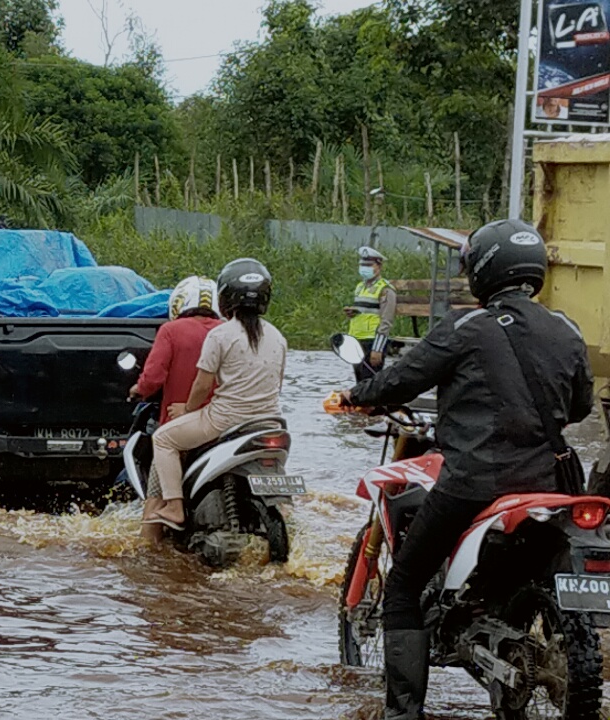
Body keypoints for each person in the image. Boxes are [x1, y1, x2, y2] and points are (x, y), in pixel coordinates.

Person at [339, 219, 593, 720]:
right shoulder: (565, 328)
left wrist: (354, 396)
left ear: (481, 269)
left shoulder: (465, 327)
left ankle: (403, 714)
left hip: (474, 484)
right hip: (549, 488)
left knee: (404, 586)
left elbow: (401, 380)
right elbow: (579, 405)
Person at [144, 259, 288, 529]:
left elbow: (201, 385)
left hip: (225, 420)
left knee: (163, 439)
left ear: (225, 298)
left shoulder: (221, 335)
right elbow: (277, 384)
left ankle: (174, 506)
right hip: (269, 422)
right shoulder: (278, 337)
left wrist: (187, 410)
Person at [129, 276, 223, 542]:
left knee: (154, 498)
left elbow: (153, 378)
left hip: (183, 425)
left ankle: (147, 552)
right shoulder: (228, 331)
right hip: (228, 425)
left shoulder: (171, 330)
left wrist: (138, 389)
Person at [345, 246, 396, 381]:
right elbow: (367, 311)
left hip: (372, 341)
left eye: (368, 265)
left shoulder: (385, 289)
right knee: (359, 383)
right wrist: (354, 312)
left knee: (371, 385)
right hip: (356, 340)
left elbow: (386, 320)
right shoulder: (360, 287)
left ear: (379, 266)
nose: (364, 268)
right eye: (362, 264)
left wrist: (377, 349)